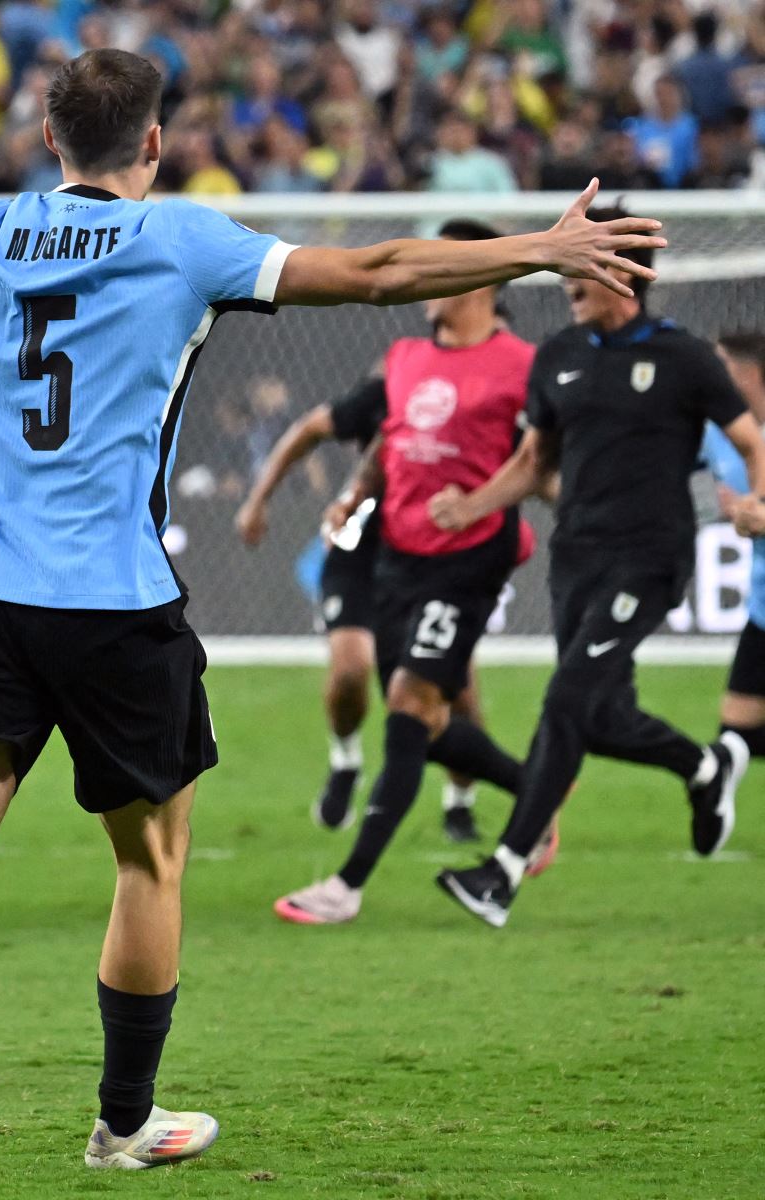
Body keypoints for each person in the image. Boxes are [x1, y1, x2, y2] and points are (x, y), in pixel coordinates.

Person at [0, 47, 663, 1167]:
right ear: (154, 142)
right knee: (151, 862)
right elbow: (384, 269)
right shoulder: (184, 240)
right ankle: (125, 1121)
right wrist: (540, 246)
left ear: (50, 140)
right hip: (114, 601)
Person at [433, 232, 765, 928]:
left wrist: (758, 502)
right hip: (576, 558)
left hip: (649, 561)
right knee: (597, 713)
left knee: (568, 695)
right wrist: (472, 505)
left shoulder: (685, 357)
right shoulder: (557, 357)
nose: (566, 283)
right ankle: (702, 768)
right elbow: (532, 461)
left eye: (580, 271)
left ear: (623, 277)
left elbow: (751, 439)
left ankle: (504, 871)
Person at [271, 219, 537, 926]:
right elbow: (393, 444)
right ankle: (537, 796)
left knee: (411, 706)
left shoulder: (522, 365)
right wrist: (356, 492)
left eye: (438, 264)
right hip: (398, 558)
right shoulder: (405, 356)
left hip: (471, 560)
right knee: (429, 722)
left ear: (475, 277)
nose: (423, 280)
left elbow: (544, 462)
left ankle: (348, 885)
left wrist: (480, 503)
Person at [236, 353, 490, 840]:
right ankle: (346, 760)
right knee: (351, 669)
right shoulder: (387, 389)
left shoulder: (481, 400)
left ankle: (460, 804)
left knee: (458, 693)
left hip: (430, 557)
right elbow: (307, 431)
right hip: (360, 554)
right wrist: (257, 500)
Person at [703, 333, 765, 775]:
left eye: (720, 364)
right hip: (762, 608)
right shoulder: (719, 435)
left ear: (748, 373)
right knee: (735, 735)